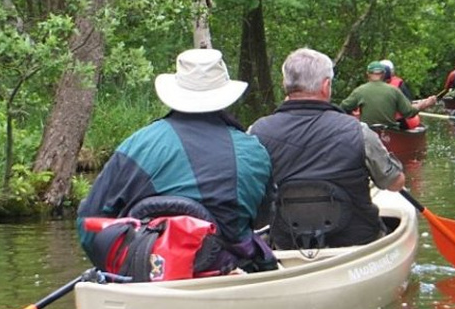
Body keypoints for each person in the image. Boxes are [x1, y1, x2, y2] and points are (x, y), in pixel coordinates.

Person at [77, 48, 276, 274]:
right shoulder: (254, 151)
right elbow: (262, 221)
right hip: (228, 270)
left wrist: (114, 265)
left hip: (148, 273)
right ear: (225, 96)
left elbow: (88, 224)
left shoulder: (138, 146)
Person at [249, 48, 406, 248]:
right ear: (326, 86)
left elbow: (247, 194)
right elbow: (395, 184)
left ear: (285, 85)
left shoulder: (256, 133)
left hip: (287, 244)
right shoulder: (359, 132)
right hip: (357, 241)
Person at [339, 61, 436, 130]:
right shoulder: (394, 90)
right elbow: (409, 112)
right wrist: (425, 104)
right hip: (390, 133)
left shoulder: (359, 91)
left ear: (368, 74)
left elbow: (342, 108)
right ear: (383, 74)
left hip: (368, 134)